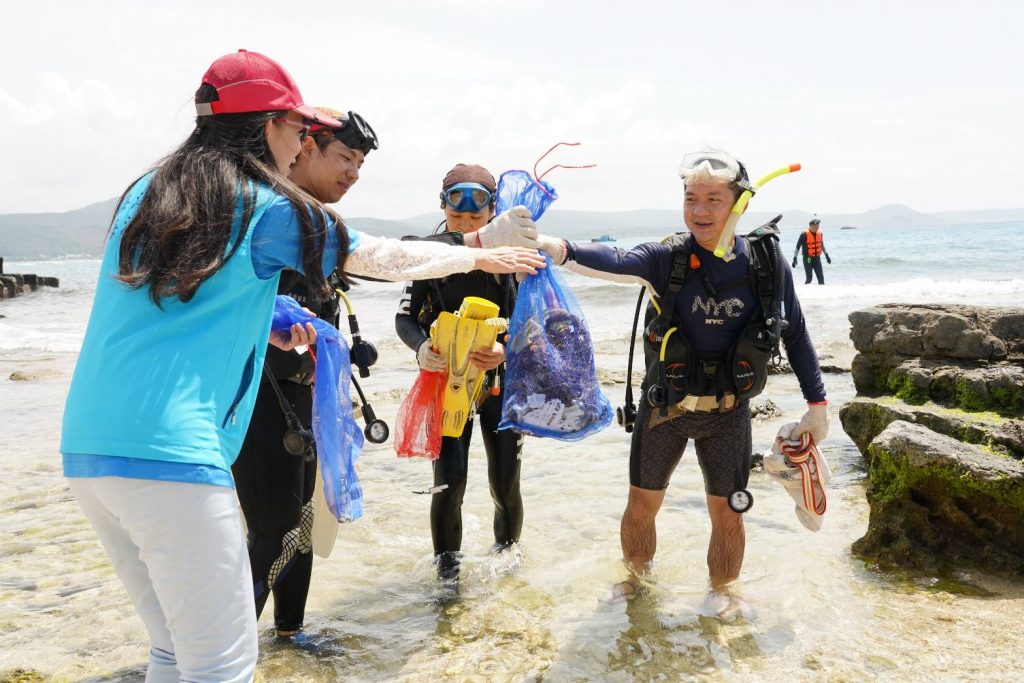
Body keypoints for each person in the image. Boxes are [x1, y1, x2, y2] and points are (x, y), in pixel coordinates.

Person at [59, 49, 544, 681]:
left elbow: (169, 301)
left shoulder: (148, 194)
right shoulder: (263, 204)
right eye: (298, 131)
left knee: (175, 651)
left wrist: (271, 321)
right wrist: (478, 258)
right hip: (173, 459)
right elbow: (376, 256)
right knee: (223, 664)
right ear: (270, 129)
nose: (300, 146)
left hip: (89, 453)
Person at [530, 151, 829, 599]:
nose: (700, 210)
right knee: (641, 507)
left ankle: (724, 593)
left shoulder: (766, 264)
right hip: (664, 409)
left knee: (729, 515)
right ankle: (636, 583)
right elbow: (615, 258)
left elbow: (797, 335)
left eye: (713, 198)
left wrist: (818, 406)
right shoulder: (666, 258)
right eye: (691, 198)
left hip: (728, 413)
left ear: (740, 203)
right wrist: (557, 247)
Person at [231, 107, 378, 640]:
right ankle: (214, 660)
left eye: (360, 164)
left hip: (304, 403)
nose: (353, 173)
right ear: (307, 147)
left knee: (305, 528)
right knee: (272, 531)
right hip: (259, 402)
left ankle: (289, 637)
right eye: (345, 158)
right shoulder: (272, 219)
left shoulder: (316, 224)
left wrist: (344, 348)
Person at [395, 164, 533, 582]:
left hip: (499, 386)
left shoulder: (512, 257)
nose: (466, 225)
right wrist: (421, 349)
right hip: (446, 382)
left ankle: (507, 568)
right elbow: (404, 319)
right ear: (443, 207)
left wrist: (506, 349)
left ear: (493, 211)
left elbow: (536, 320)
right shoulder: (429, 254)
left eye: (476, 218)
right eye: (457, 217)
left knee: (505, 482)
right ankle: (446, 578)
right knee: (449, 484)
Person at [792, 217, 832, 285]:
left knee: (821, 280)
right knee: (809, 279)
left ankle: (822, 294)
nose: (817, 227)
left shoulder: (820, 234)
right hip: (808, 259)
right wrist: (794, 258)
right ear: (811, 226)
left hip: (817, 259)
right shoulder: (804, 234)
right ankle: (804, 293)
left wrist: (827, 255)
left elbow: (822, 245)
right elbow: (797, 247)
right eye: (816, 226)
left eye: (818, 226)